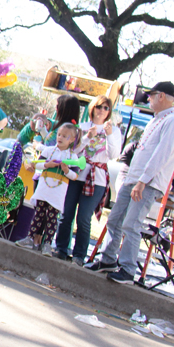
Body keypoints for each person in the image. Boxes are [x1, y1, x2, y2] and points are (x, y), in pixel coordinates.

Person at [89, 82, 174, 283]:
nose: (148, 99)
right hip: (134, 178)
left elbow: (161, 155)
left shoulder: (171, 120)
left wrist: (143, 181)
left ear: (161, 96)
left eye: (151, 96)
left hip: (148, 182)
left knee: (131, 223)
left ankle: (127, 268)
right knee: (115, 219)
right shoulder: (157, 120)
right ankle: (107, 259)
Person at [52, 95, 122, 265]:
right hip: (77, 174)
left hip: (96, 179)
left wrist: (110, 134)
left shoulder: (114, 131)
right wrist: (86, 138)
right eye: (99, 107)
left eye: (106, 108)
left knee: (83, 217)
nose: (102, 111)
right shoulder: (82, 127)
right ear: (92, 108)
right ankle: (60, 248)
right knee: (66, 212)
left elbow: (114, 156)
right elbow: (73, 151)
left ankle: (79, 255)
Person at [15, 123, 82, 254]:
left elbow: (74, 176)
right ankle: (30, 238)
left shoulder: (73, 157)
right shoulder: (48, 150)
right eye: (59, 135)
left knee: (52, 218)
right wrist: (47, 165)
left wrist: (66, 170)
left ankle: (47, 244)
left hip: (58, 192)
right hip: (44, 189)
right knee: (38, 214)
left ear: (72, 140)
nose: (60, 138)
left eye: (65, 136)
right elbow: (37, 165)